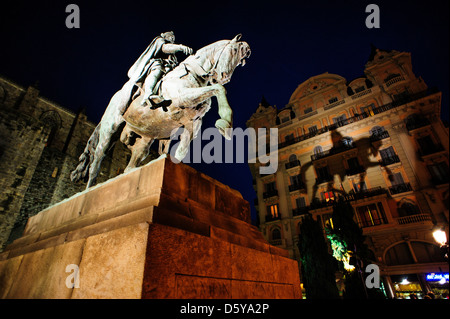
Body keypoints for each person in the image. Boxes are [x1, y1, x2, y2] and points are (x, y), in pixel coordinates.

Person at [127, 31, 193, 107]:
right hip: (157, 64)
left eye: (173, 38)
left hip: (167, 67)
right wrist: (180, 47)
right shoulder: (159, 40)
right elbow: (165, 48)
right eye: (170, 36)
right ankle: (148, 94)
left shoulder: (173, 54)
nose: (172, 38)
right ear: (164, 36)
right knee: (157, 71)